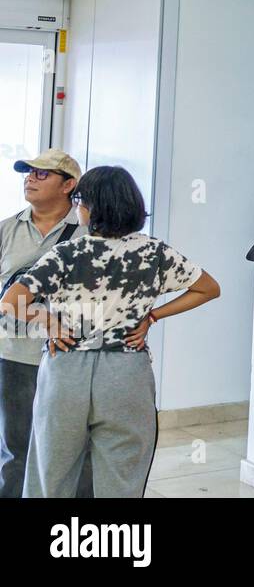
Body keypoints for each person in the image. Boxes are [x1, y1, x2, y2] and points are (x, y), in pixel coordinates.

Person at [0, 165, 221, 497]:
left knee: (51, 472)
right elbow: (208, 288)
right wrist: (152, 316)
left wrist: (49, 322)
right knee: (123, 472)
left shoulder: (66, 254)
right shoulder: (154, 252)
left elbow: (10, 301)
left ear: (89, 207)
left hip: (66, 364)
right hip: (126, 370)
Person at [0, 150, 93, 498]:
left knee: (74, 449)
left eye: (42, 174)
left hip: (71, 359)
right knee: (16, 451)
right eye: (28, 172)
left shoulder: (87, 235)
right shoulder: (7, 229)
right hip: (16, 355)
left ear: (69, 185)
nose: (30, 178)